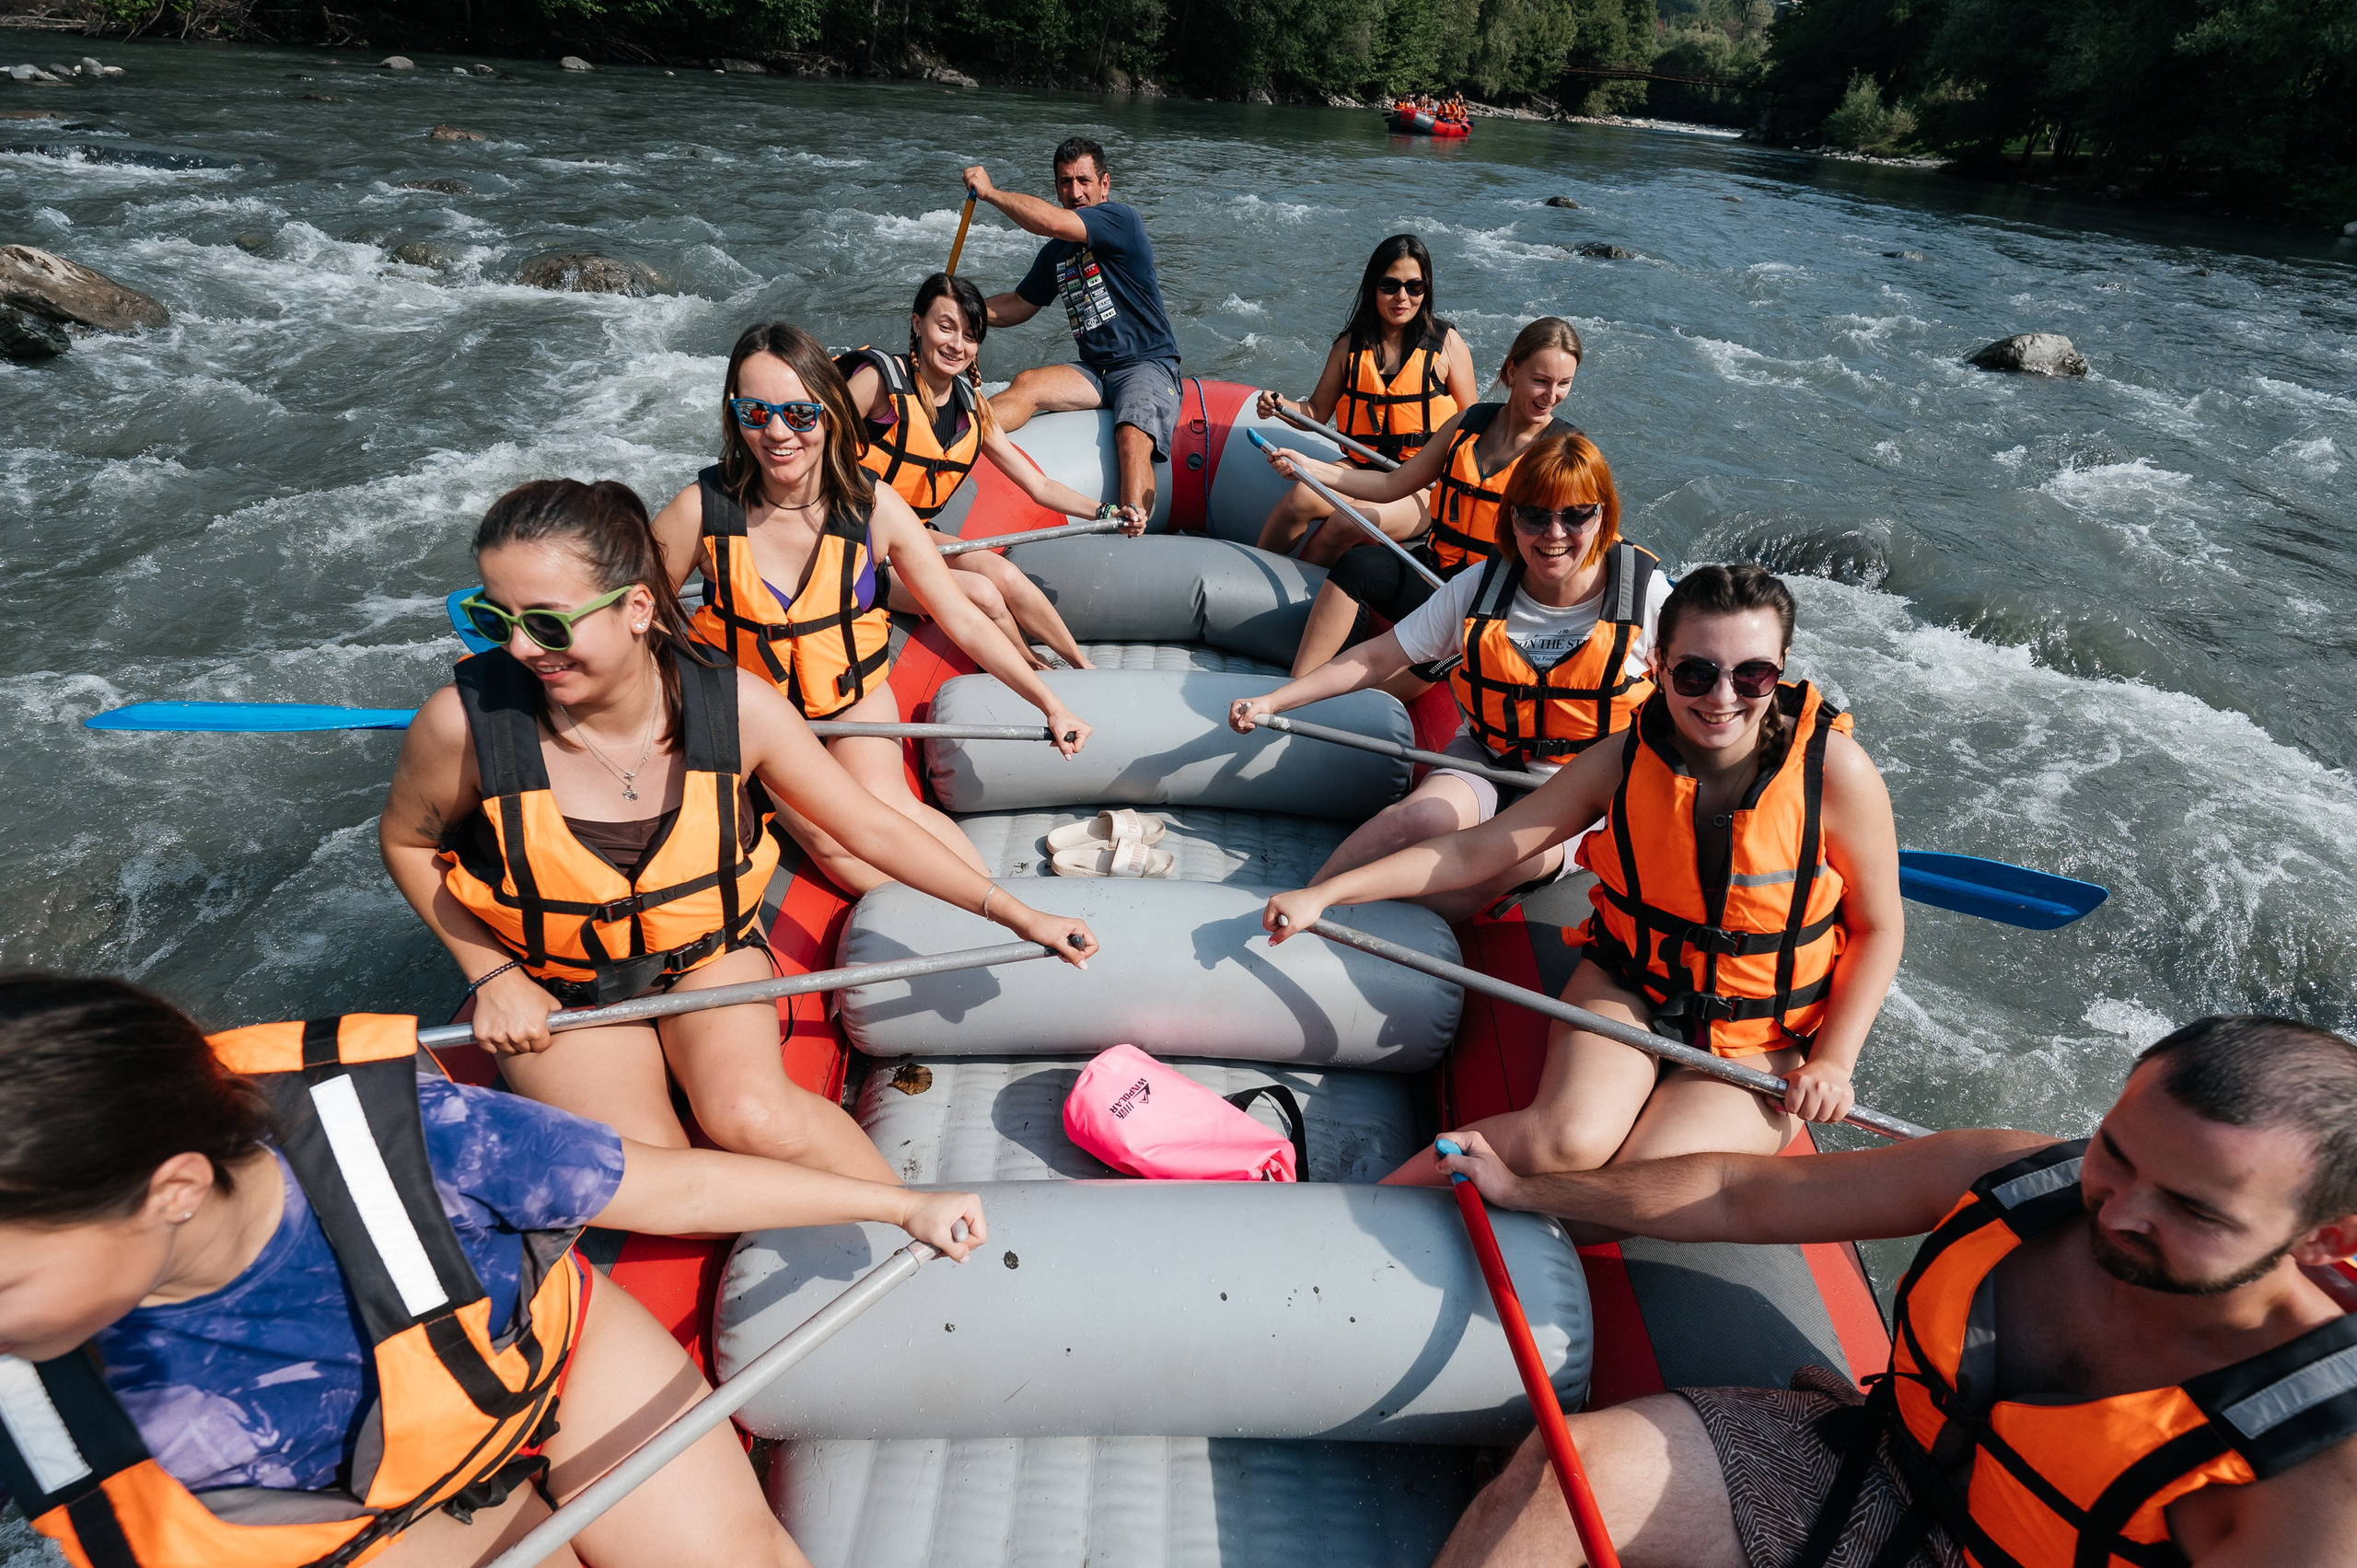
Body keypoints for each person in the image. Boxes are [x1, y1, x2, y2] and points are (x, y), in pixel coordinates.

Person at [0, 975, 992, 1568]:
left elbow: (665, 1191)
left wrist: (896, 1203)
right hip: (363, 1517)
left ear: (173, 1187)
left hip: (552, 1369)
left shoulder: (423, 1138)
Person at [1424, 1014, 2357, 1568]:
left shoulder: (2316, 1457)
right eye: (2116, 1150)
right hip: (1868, 1465)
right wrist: (1530, 1191)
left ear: (2327, 1238)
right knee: (1566, 1469)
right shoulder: (2017, 1176)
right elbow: (1742, 1190)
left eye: (2191, 1208)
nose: (2117, 1211)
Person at [384, 476, 1097, 1171]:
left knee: (754, 1117)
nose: (517, 649)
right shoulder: (461, 725)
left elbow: (869, 828)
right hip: (560, 981)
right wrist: (495, 973)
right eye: (492, 618)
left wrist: (1015, 912)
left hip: (706, 956)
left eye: (544, 623)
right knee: (646, 1172)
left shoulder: (737, 707)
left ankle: (911, 1224)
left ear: (637, 608)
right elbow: (407, 843)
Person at [1263, 564, 1902, 1179]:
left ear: (1781, 668)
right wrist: (1328, 893)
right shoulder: (1624, 758)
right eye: (1696, 673)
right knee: (1567, 1142)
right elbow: (1476, 851)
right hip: (1630, 985)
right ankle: (1378, 1199)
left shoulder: (1836, 772)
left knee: (1645, 1175)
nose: (1723, 696)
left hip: (1765, 1030)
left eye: (1753, 674)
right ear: (1658, 666)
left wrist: (1835, 1061)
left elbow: (1877, 927)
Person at [649, 321, 1094, 895]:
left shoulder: (873, 505)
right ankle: (948, 916)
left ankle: (1001, 908)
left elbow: (959, 615)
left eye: (800, 415)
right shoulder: (698, 511)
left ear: (830, 412)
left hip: (851, 694)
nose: (778, 434)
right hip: (761, 715)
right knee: (831, 838)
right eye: (756, 414)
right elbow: (636, 619)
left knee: (889, 806)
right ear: (736, 415)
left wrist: (1049, 704)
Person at [1231, 432, 1666, 921]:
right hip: (1486, 755)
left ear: (1603, 515)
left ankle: (1340, 917)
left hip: (1585, 791)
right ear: (1513, 518)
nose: (1554, 533)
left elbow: (1699, 695)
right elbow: (1377, 658)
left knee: (1499, 867)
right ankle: (1300, 904)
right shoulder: (1478, 586)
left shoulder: (1647, 599)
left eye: (1575, 515)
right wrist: (1276, 701)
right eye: (1535, 515)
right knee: (1417, 817)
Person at [839, 271, 1146, 672]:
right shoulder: (879, 383)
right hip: (854, 546)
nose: (956, 344)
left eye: (969, 335)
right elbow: (811, 440)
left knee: (1006, 575)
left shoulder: (973, 409)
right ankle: (1036, 668)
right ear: (918, 324)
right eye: (945, 327)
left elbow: (1038, 484)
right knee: (982, 592)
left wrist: (1107, 514)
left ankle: (1082, 666)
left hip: (913, 536)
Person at [1259, 316, 1585, 678]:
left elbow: (1579, 542)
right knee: (1359, 565)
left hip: (1488, 604)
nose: (1551, 396)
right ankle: (1296, 685)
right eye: (1540, 381)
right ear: (1512, 371)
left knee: (1406, 678)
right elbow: (1391, 485)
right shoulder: (1470, 423)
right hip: (1434, 574)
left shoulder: (1563, 451)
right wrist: (1307, 467)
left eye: (1563, 384)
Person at [963, 137, 1181, 526]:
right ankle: (955, 438)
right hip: (1095, 370)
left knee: (1131, 436)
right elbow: (1018, 304)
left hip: (1147, 364)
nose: (1075, 192)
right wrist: (961, 311)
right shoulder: (1056, 254)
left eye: (1084, 180)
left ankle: (1132, 536)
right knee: (1027, 382)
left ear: (1105, 185)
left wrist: (991, 193)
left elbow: (1049, 220)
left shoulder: (1120, 220)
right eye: (1065, 183)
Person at [1253, 234, 1479, 564]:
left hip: (1421, 482)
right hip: (1360, 467)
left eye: (1414, 287)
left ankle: (1305, 598)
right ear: (1373, 288)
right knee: (1298, 499)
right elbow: (1315, 411)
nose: (1402, 297)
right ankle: (1256, 581)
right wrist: (1279, 405)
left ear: (1425, 289)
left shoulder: (1448, 345)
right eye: (1390, 286)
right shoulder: (1349, 347)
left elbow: (1473, 427)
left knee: (1348, 521)